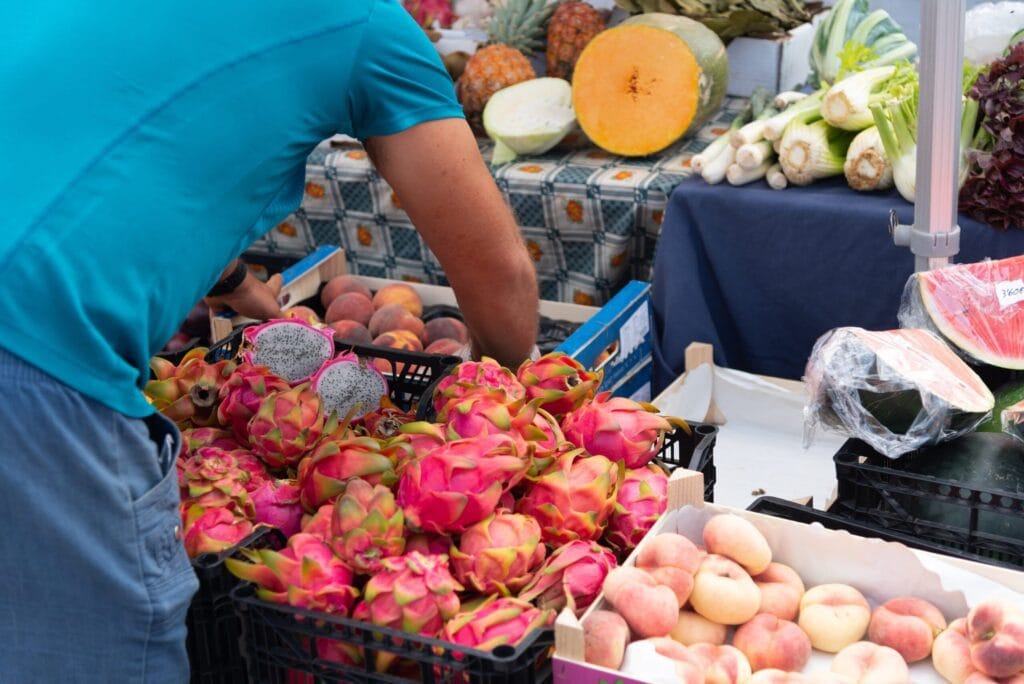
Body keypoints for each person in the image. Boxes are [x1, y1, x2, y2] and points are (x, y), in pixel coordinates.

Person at [0, 0, 539, 680]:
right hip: (33, 348)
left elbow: (94, 137)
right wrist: (505, 403)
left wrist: (233, 284)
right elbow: (496, 269)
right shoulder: (364, 26)